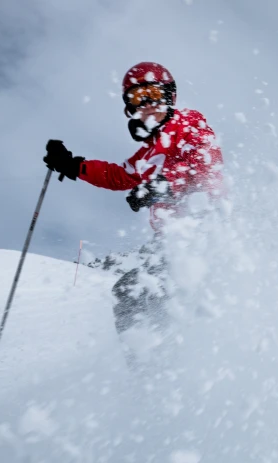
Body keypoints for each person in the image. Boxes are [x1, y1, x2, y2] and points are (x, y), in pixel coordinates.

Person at [43, 62, 224, 338]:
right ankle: (160, 359)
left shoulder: (186, 122)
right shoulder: (148, 153)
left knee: (134, 292)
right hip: (171, 242)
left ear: (170, 97)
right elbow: (119, 177)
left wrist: (165, 185)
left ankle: (161, 363)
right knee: (136, 293)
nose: (147, 104)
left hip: (203, 229)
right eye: (137, 99)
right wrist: (72, 165)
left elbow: (205, 158)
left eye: (152, 94)